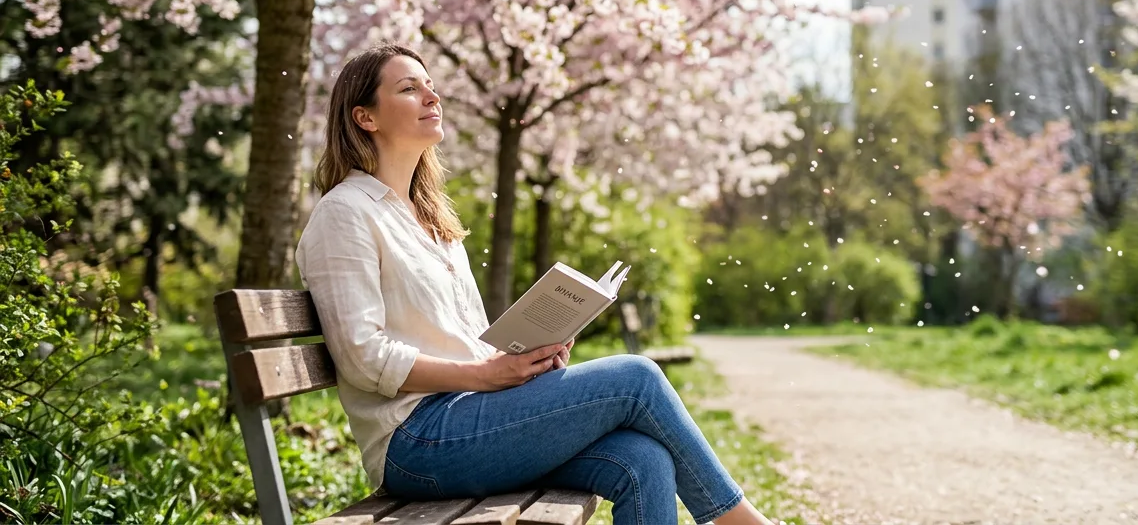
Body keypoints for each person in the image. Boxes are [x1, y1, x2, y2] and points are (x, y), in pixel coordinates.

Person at [296, 43, 779, 525]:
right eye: (409, 88)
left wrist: (526, 362)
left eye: (431, 87)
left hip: (475, 415)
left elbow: (469, 344)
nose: (431, 97)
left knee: (641, 459)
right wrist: (485, 376)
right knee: (638, 377)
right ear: (365, 118)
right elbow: (363, 357)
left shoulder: (432, 223)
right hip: (417, 440)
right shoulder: (345, 213)